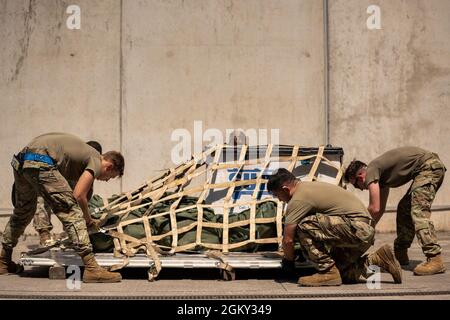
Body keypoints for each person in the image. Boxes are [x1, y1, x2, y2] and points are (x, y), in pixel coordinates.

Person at [0, 133, 124, 283]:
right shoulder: (96, 159)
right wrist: (87, 218)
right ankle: (92, 269)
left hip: (23, 159)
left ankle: (4, 261)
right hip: (41, 161)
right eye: (110, 177)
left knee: (23, 211)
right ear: (109, 166)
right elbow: (78, 195)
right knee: (71, 211)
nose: (105, 180)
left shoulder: (84, 155)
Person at [267, 168, 402, 286]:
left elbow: (288, 240)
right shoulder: (307, 187)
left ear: (285, 189)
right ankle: (380, 259)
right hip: (362, 231)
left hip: (356, 228)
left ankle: (327, 271)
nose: (278, 199)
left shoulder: (298, 199)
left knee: (304, 225)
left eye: (276, 195)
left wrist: (288, 263)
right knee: (343, 274)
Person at [344, 147, 446, 276]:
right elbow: (379, 210)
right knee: (404, 209)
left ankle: (435, 258)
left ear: (360, 177)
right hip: (427, 168)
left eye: (355, 185)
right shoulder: (381, 178)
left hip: (429, 167)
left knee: (418, 211)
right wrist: (368, 232)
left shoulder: (371, 170)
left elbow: (373, 208)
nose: (360, 189)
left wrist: (359, 230)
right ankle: (400, 254)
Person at [31, 140, 103, 246]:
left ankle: (68, 233)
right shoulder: (71, 159)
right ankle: (44, 234)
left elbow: (84, 196)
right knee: (42, 198)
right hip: (49, 174)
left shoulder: (92, 166)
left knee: (73, 203)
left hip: (67, 186)